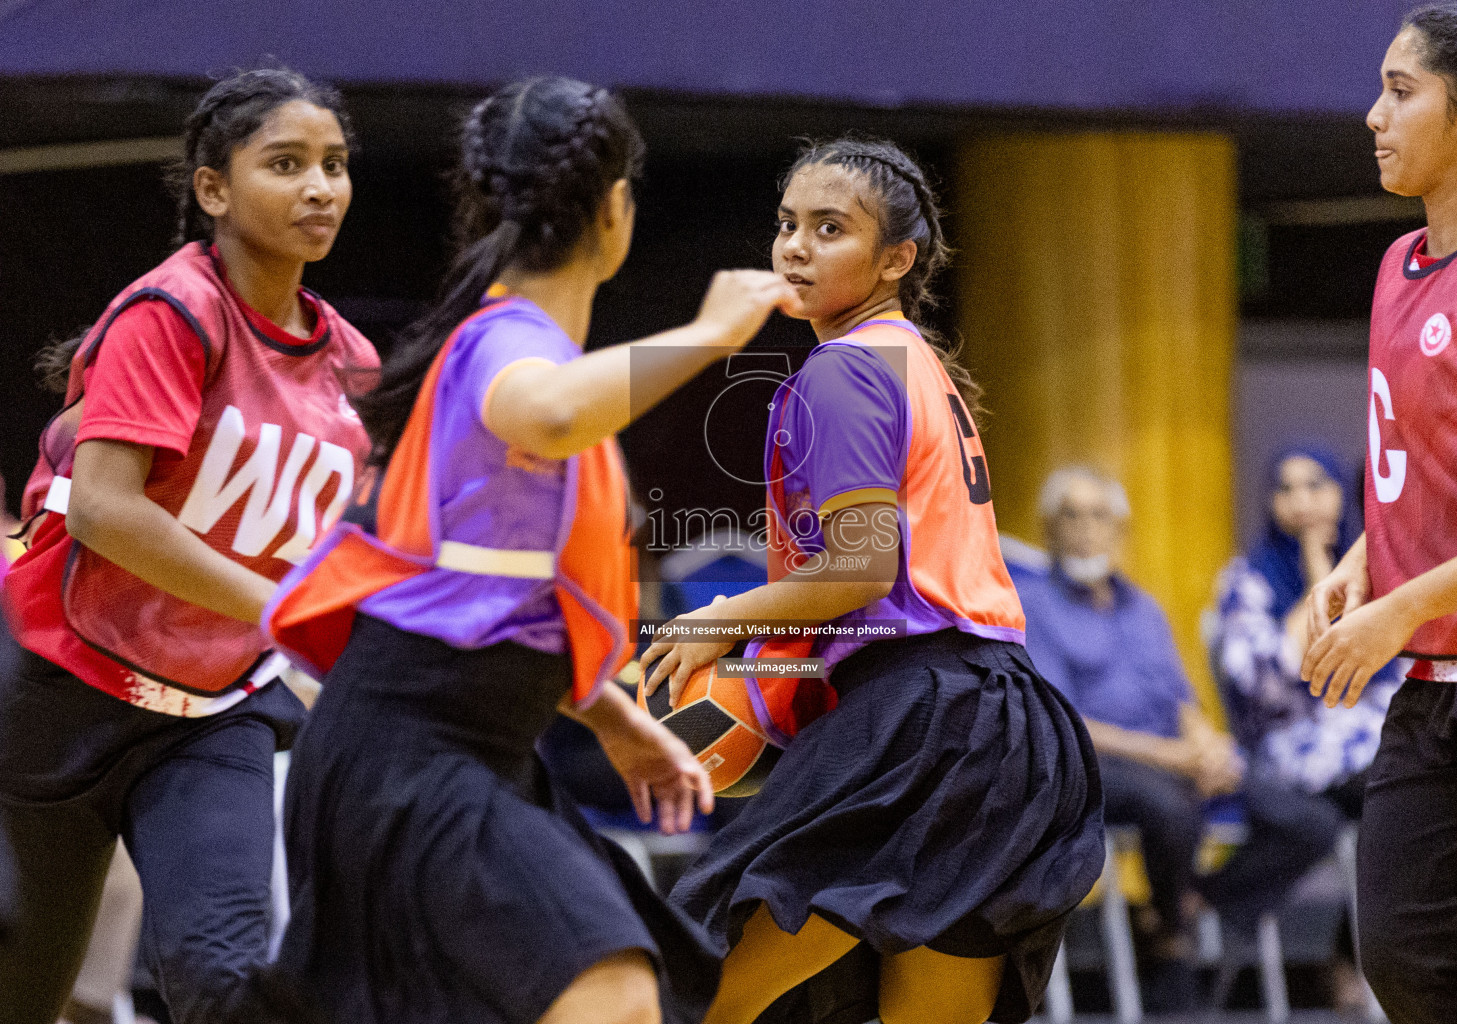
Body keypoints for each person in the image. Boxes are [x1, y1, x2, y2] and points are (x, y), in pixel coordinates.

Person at [262, 77, 801, 1024]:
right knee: (613, 992)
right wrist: (712, 335)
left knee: (620, 991)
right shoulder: (507, 344)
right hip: (410, 750)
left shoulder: (536, 357)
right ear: (615, 211)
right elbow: (545, 412)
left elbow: (487, 603)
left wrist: (613, 720)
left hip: (465, 747)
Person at [643, 139, 1105, 1024]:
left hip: (923, 718)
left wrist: (718, 622)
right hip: (1006, 725)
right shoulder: (914, 360)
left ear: (897, 259)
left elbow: (861, 567)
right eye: (787, 226)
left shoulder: (846, 368)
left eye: (830, 229)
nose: (797, 247)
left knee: (692, 990)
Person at [0, 68, 376, 1023]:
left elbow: (315, 551)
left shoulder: (349, 364)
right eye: (285, 164)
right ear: (214, 188)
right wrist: (287, 613)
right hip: (58, 695)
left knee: (225, 983)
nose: (320, 188)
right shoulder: (171, 313)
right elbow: (106, 512)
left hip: (213, 714)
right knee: (23, 991)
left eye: (333, 165)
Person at [1302, 5, 1457, 1020]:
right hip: (1434, 679)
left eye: (1402, 92)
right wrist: (1365, 557)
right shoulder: (1397, 269)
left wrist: (1397, 608)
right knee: (1398, 955)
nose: (1373, 115)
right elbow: (1433, 464)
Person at [1015, 466, 1338, 1010]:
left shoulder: (1142, 607)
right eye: (1072, 515)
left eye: (1100, 515)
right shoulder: (1033, 604)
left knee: (1309, 822)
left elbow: (1180, 698)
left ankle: (1187, 905)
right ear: (1049, 528)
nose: (1087, 529)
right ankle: (1172, 947)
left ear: (1119, 529)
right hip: (1093, 763)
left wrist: (1207, 746)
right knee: (1171, 807)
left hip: (1173, 758)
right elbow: (1062, 721)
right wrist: (1177, 758)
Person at [1214, 447, 1399, 812]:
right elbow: (1259, 681)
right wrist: (1319, 581)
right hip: (1292, 739)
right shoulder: (1248, 579)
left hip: (1375, 728)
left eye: (1315, 485)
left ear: (1342, 492)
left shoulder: (1376, 566)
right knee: (1393, 786)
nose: (1301, 501)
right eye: (1285, 489)